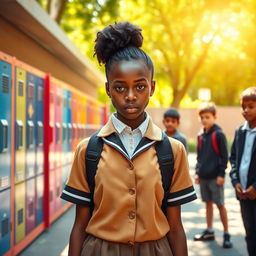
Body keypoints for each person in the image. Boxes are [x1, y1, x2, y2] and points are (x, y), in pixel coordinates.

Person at [61, 21, 197, 256]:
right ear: (108, 89)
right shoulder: (88, 150)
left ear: (152, 87)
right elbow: (79, 226)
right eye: (120, 88)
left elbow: (175, 228)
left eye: (140, 86)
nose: (131, 96)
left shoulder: (172, 151)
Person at [193, 102, 232, 248]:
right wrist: (197, 172)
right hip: (203, 177)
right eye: (202, 117)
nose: (204, 120)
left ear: (214, 117)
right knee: (208, 204)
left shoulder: (219, 134)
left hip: (216, 178)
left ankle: (226, 234)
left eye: (207, 117)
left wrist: (221, 174)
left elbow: (224, 156)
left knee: (220, 204)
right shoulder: (200, 135)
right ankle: (209, 231)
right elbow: (199, 157)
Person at [230, 87, 256, 256]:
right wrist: (236, 182)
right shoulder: (239, 132)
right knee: (250, 233)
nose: (245, 110)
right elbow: (233, 160)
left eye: (251, 106)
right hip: (244, 194)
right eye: (243, 106)